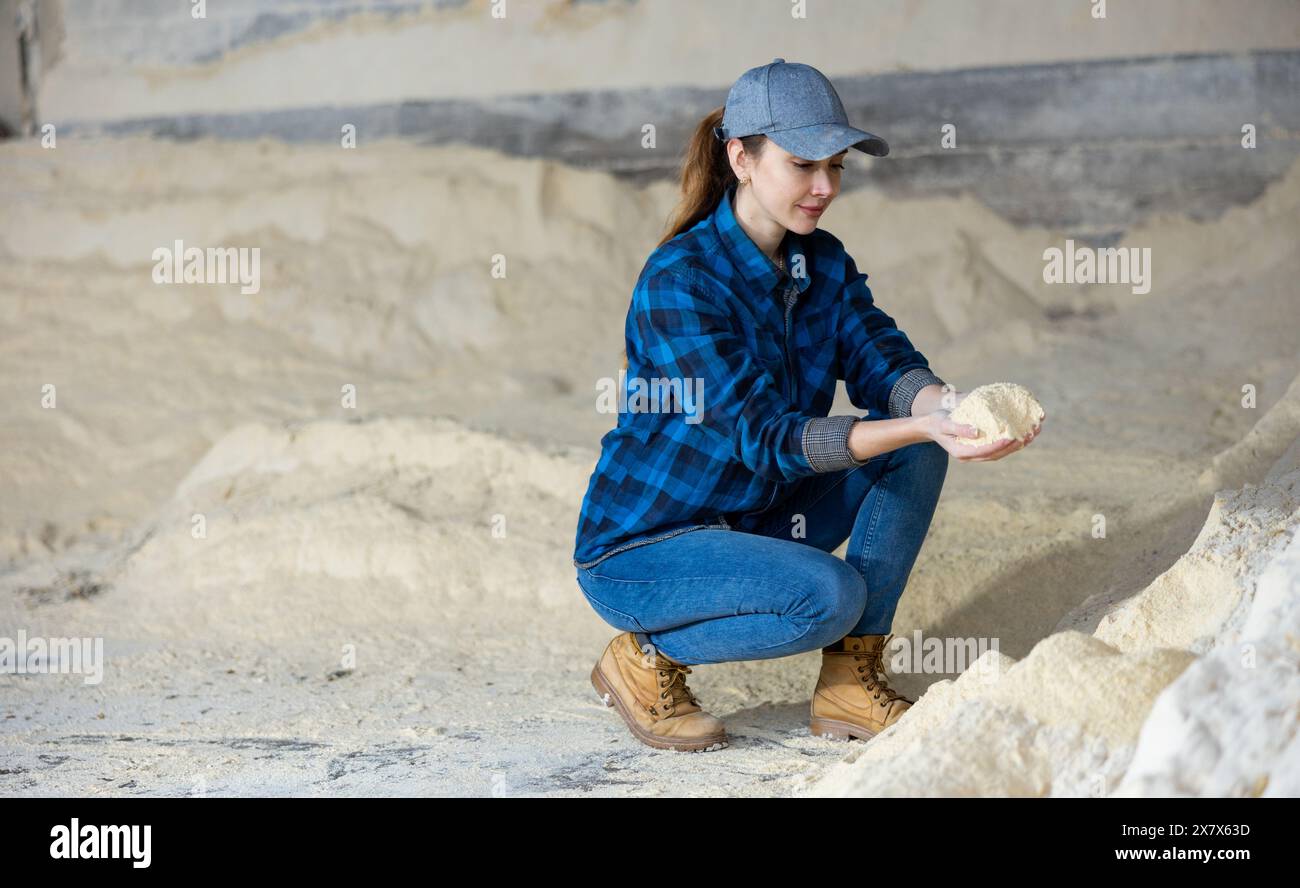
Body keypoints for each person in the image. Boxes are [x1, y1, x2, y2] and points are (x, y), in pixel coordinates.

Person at [574, 59, 1043, 753]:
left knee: (916, 445)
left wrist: (951, 408)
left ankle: (851, 686)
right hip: (648, 547)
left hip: (758, 515)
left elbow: (882, 361)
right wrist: (917, 423)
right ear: (742, 157)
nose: (824, 187)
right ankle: (644, 660)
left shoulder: (820, 262)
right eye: (802, 164)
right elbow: (766, 439)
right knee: (826, 597)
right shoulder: (680, 282)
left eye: (837, 166)